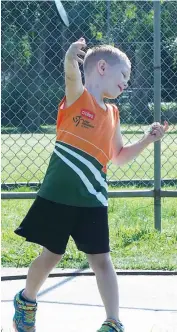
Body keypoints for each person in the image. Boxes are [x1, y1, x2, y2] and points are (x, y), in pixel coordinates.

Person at [13, 37, 169, 332]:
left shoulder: (113, 114)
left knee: (102, 260)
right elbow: (72, 75)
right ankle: (26, 301)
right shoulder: (77, 97)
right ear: (101, 68)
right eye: (123, 75)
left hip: (93, 199)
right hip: (58, 196)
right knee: (51, 255)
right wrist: (71, 57)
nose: (126, 83)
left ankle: (113, 321)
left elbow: (119, 157)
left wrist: (148, 139)